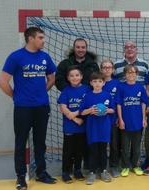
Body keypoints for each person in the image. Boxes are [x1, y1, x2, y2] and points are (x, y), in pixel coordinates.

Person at [0, 27, 57, 190]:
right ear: (31, 39)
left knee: (40, 142)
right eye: (40, 37)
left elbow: (51, 78)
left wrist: (41, 92)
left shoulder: (45, 57)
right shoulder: (16, 57)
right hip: (23, 108)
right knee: (20, 142)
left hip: (42, 107)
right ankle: (21, 177)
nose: (43, 40)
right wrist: (16, 96)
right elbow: (2, 82)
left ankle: (41, 172)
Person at [55, 38, 99, 170]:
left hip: (87, 106)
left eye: (83, 47)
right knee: (70, 144)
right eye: (78, 47)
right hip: (72, 108)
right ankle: (68, 168)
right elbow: (58, 80)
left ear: (86, 48)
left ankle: (85, 163)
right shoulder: (65, 63)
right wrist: (72, 91)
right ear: (74, 48)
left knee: (85, 139)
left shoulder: (93, 64)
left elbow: (96, 80)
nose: (80, 49)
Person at [79, 72, 115, 185]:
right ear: (91, 83)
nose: (97, 83)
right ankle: (92, 172)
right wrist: (91, 110)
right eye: (95, 81)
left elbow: (113, 110)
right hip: (92, 128)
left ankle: (103, 170)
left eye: (100, 81)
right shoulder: (88, 96)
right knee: (93, 151)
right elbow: (82, 111)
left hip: (104, 127)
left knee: (103, 150)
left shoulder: (108, 95)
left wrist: (106, 110)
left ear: (104, 83)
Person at [57, 65, 89, 183]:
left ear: (81, 76)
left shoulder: (86, 89)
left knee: (79, 150)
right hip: (70, 126)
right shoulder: (66, 90)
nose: (74, 78)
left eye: (77, 75)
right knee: (68, 150)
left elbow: (87, 106)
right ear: (68, 78)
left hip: (83, 127)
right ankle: (65, 172)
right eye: (71, 76)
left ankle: (77, 170)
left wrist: (76, 114)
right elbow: (63, 107)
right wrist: (75, 119)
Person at [116, 64, 148, 177]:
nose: (131, 74)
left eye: (133, 72)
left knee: (136, 147)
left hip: (137, 122)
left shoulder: (140, 87)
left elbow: (143, 103)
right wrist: (120, 120)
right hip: (125, 122)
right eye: (128, 73)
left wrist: (144, 119)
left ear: (137, 74)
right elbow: (119, 104)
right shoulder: (121, 87)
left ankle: (135, 165)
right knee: (125, 146)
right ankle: (125, 166)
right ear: (125, 74)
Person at [100, 60, 121, 177]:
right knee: (101, 144)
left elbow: (119, 102)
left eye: (109, 67)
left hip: (113, 119)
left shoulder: (117, 83)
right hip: (100, 121)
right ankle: (100, 166)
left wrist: (118, 116)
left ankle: (114, 166)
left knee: (114, 144)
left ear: (113, 70)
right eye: (104, 67)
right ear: (101, 69)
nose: (107, 70)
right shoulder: (97, 83)